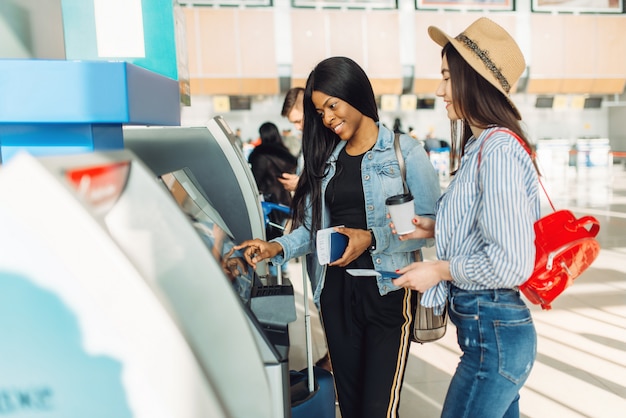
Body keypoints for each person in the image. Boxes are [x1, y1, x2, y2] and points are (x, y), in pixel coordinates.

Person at [235, 56, 441, 418]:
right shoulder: (326, 160)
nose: (328, 117)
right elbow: (312, 231)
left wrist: (371, 238)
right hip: (336, 295)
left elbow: (428, 227)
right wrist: (275, 247)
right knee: (350, 406)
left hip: (388, 293)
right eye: (320, 111)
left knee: (377, 409)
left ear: (355, 92)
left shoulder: (404, 152)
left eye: (332, 105)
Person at [392, 18, 540, 418]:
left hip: (494, 336)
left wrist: (438, 270)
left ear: (473, 80)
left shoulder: (498, 151)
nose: (439, 90)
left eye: (446, 77)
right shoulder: (479, 148)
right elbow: (482, 226)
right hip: (487, 334)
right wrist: (433, 227)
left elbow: (511, 262)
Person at [248, 122, 298, 277]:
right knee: (281, 235)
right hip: (284, 201)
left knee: (269, 238)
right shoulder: (286, 153)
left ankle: (273, 271)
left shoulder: (259, 155)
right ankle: (282, 268)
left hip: (268, 203)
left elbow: (256, 180)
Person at [278, 87, 305, 193]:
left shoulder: (327, 140)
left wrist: (301, 185)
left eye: (299, 121)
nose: (297, 128)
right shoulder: (306, 140)